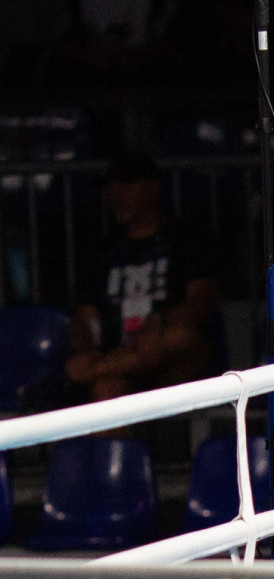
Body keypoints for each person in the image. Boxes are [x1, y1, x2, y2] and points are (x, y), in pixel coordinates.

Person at [64, 151, 221, 404]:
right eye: (111, 188)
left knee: (178, 338)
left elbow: (200, 302)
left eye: (126, 186)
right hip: (119, 354)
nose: (116, 195)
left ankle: (73, 377)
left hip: (175, 358)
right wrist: (85, 351)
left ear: (153, 187)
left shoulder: (186, 239)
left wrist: (158, 324)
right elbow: (84, 317)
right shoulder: (101, 250)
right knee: (106, 387)